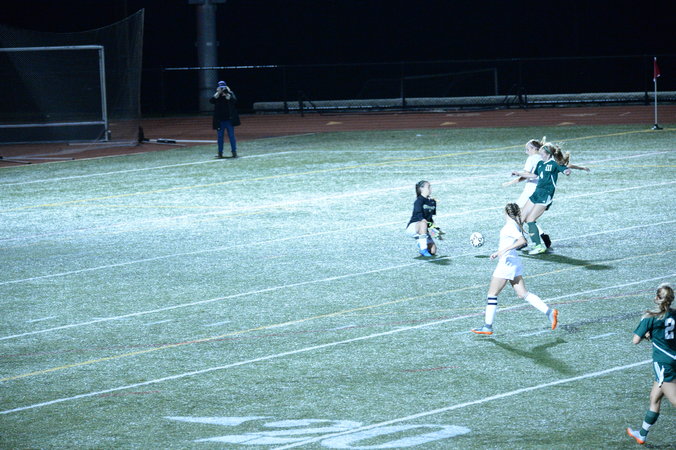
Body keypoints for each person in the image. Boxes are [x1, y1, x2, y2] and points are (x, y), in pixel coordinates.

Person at [471, 203, 558, 335]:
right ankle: (549, 312)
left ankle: (487, 326)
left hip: (506, 264)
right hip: (513, 262)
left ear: (506, 213)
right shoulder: (514, 225)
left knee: (492, 294)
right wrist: (499, 252)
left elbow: (522, 241)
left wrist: (503, 250)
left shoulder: (510, 226)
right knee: (523, 293)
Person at [505, 137, 589, 251]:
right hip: (536, 193)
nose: (540, 155)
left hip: (545, 195)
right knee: (522, 217)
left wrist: (567, 171)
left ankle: (537, 245)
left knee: (530, 219)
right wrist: (518, 173)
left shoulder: (554, 164)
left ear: (548, 154)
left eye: (542, 153)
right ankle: (521, 241)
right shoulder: (540, 163)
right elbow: (533, 175)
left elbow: (564, 168)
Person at [626, 283, 675, 445]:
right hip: (674, 358)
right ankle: (642, 434)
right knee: (654, 398)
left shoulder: (650, 316)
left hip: (664, 363)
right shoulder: (675, 314)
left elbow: (635, 340)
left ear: (657, 298)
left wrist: (647, 335)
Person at [405, 180, 440, 257]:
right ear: (422, 189)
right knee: (423, 223)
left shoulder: (433, 202)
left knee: (433, 250)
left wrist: (435, 231)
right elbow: (419, 215)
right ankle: (423, 249)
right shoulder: (418, 201)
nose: (430, 189)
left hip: (424, 228)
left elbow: (430, 219)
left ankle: (421, 243)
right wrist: (425, 222)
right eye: (428, 187)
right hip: (414, 227)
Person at [210, 80, 240, 158]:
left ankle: (234, 152)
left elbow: (234, 101)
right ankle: (220, 153)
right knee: (220, 137)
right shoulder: (217, 95)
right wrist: (218, 93)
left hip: (229, 120)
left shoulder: (230, 93)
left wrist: (227, 94)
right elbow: (211, 101)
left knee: (231, 136)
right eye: (220, 87)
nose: (222, 88)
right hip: (220, 120)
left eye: (223, 87)